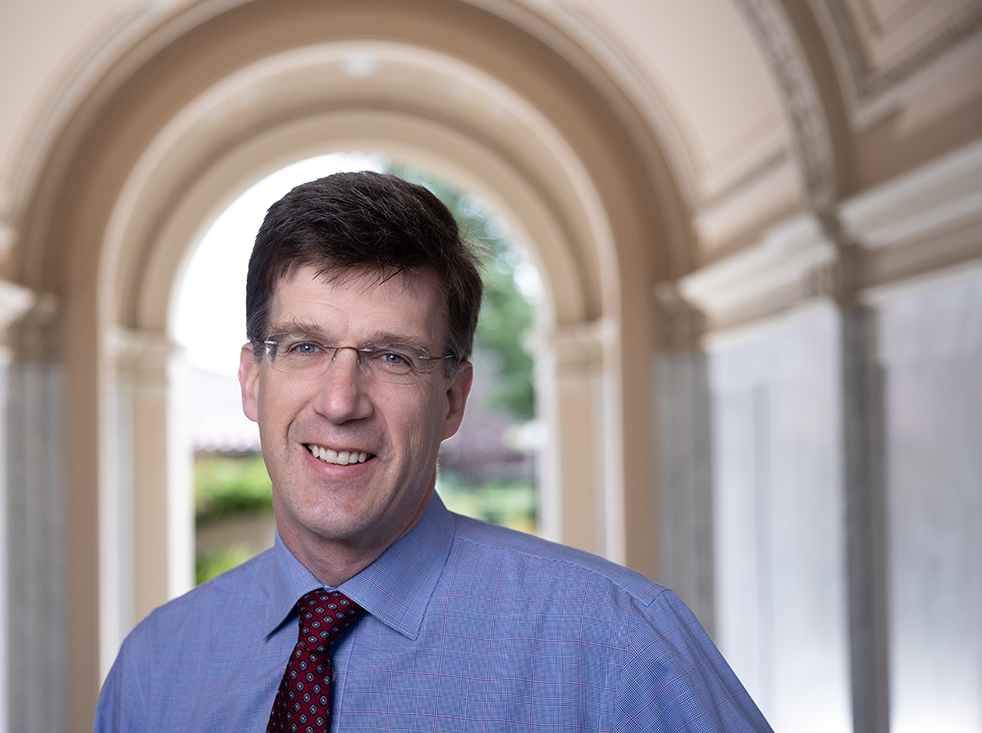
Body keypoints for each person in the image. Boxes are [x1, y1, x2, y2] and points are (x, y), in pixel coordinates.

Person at [94, 171, 771, 731]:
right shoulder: (155, 669)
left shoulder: (620, 647)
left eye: (393, 356)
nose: (339, 401)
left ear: (452, 398)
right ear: (252, 379)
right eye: (305, 346)